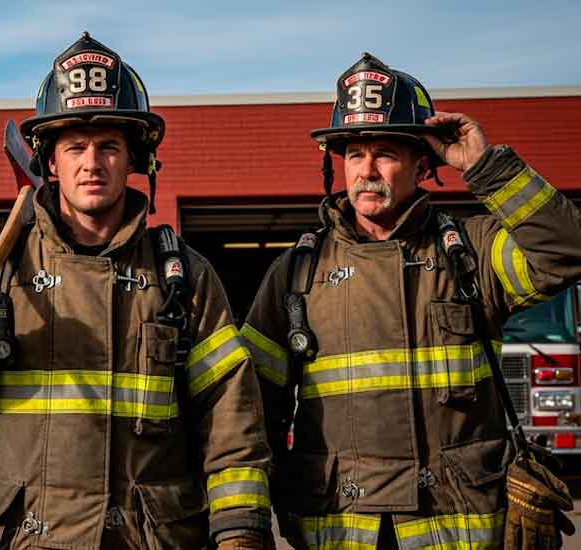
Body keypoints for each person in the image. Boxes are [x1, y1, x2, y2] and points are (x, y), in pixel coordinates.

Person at [0, 33, 272, 550]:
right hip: (21, 537)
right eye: (75, 147)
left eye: (109, 147)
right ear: (49, 162)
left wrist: (240, 534)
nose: (91, 163)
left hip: (146, 538)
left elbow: (232, 422)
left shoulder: (184, 277)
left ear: (135, 158)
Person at [243, 53, 581, 549]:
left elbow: (566, 252)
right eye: (355, 155)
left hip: (458, 531)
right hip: (340, 530)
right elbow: (253, 411)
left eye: (385, 154)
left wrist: (485, 167)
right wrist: (250, 523)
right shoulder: (296, 273)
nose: (367, 171)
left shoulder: (473, 252)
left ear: (424, 164)